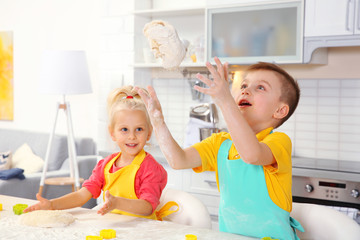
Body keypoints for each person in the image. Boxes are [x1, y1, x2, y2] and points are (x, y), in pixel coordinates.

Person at [136, 57, 304, 239]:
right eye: (244, 86)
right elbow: (178, 160)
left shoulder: (279, 141)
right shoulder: (220, 143)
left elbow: (252, 154)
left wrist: (225, 101)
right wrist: (158, 122)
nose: (246, 90)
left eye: (260, 87)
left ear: (280, 111)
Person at [24, 85, 169, 220]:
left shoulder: (150, 168)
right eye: (124, 129)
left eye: (139, 129)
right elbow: (82, 195)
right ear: (112, 133)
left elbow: (147, 206)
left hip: (143, 230)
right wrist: (52, 205)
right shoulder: (105, 165)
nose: (132, 136)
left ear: (149, 133)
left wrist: (118, 203)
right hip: (114, 227)